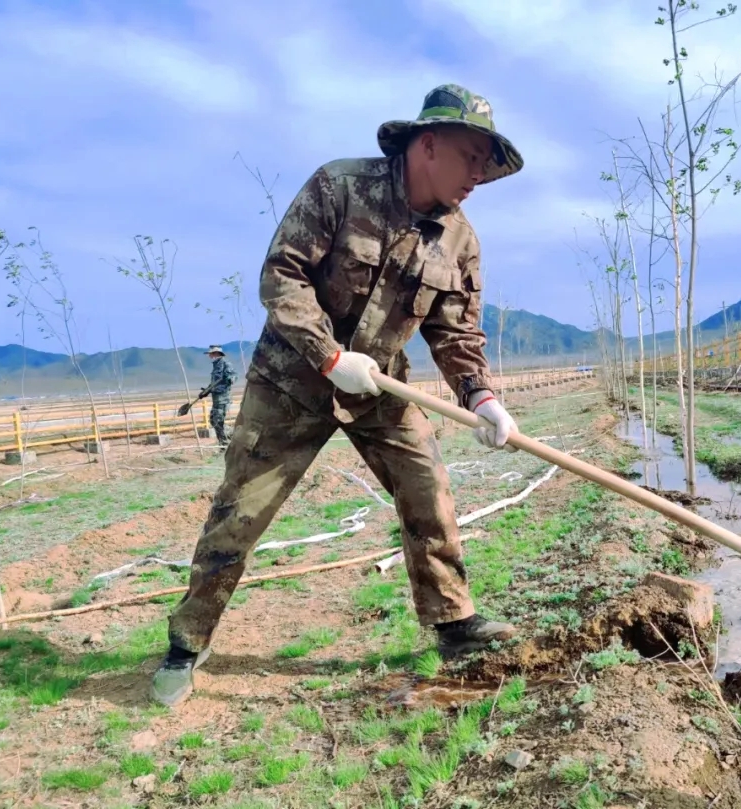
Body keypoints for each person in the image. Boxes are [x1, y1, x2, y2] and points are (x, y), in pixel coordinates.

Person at [150, 84, 525, 707]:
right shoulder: (340, 187)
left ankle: (453, 624)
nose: (480, 176)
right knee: (240, 512)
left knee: (427, 486)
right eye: (472, 157)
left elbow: (457, 332)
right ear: (428, 145)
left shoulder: (460, 240)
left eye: (488, 164)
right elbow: (282, 275)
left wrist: (480, 396)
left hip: (380, 383)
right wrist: (327, 354)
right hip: (291, 380)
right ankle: (188, 643)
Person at [203, 345, 237, 448]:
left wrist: (229, 378)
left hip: (223, 398)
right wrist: (206, 391)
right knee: (213, 421)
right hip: (216, 399)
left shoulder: (226, 364)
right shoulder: (216, 365)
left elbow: (234, 376)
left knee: (218, 421)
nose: (210, 356)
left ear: (216, 354)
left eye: (211, 354)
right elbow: (214, 383)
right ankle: (228, 439)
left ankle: (225, 444)